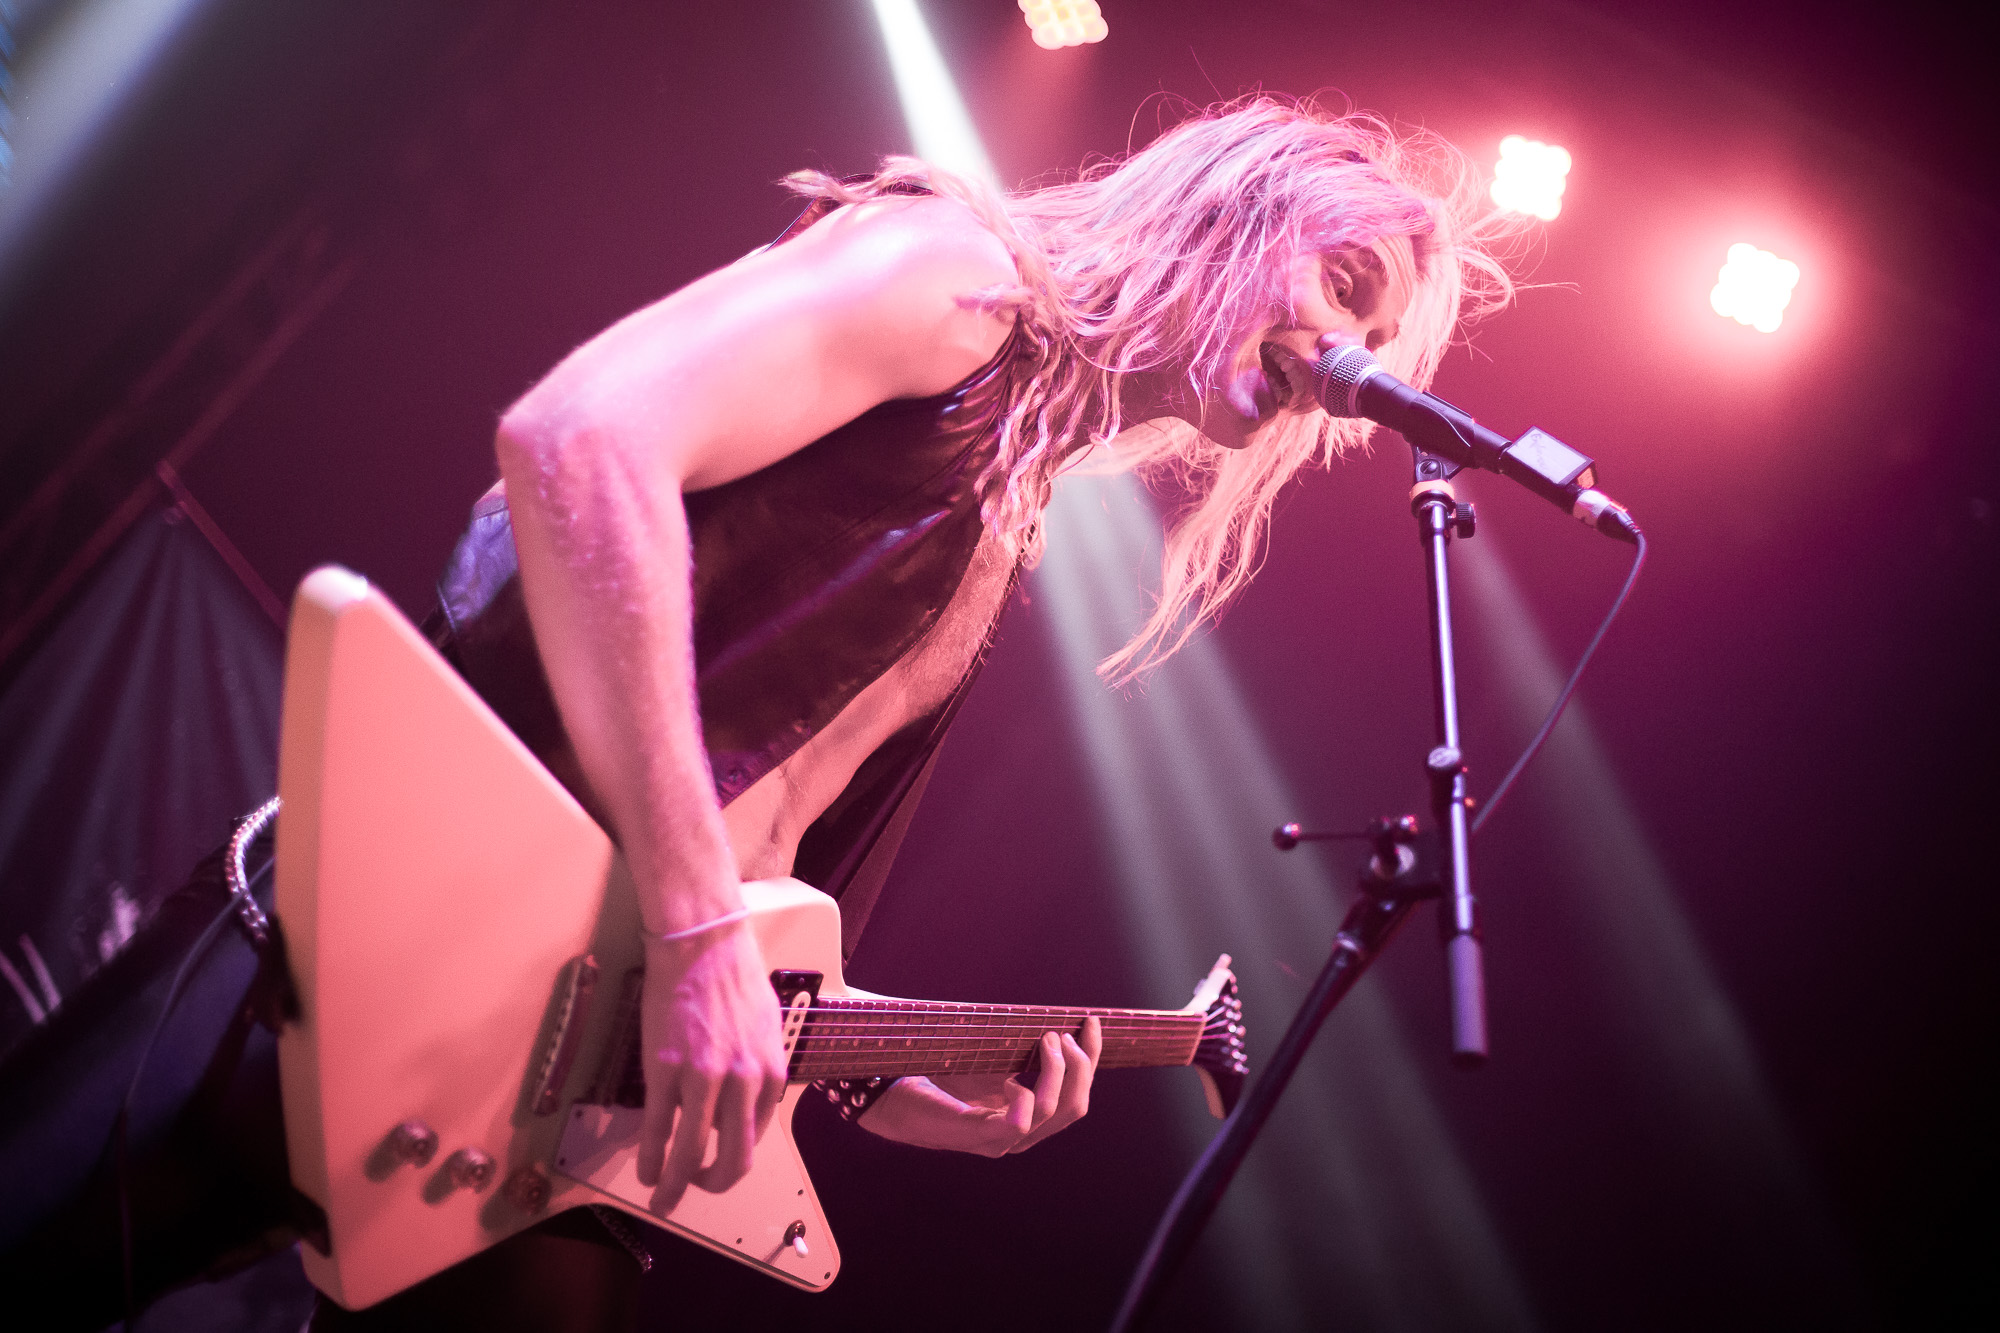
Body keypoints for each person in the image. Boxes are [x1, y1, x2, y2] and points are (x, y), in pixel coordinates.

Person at [0, 94, 1511, 1332]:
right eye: (1344, 287)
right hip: (376, 938)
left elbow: (763, 866)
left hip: (562, 1110)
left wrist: (877, 1083)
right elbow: (581, 441)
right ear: (1236, 212)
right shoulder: (955, 282)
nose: (1344, 368)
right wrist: (696, 927)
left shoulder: (1011, 524)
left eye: (1376, 339)